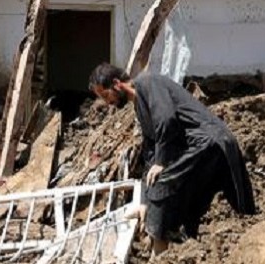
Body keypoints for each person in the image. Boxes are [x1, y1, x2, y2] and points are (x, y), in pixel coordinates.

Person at [88, 64, 255, 255]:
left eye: (105, 95)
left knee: (162, 189)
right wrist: (143, 201)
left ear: (117, 84)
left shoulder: (147, 82)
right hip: (199, 148)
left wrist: (161, 162)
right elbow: (150, 151)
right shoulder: (139, 106)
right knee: (189, 208)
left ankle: (159, 256)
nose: (107, 102)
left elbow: (166, 120)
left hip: (208, 141)